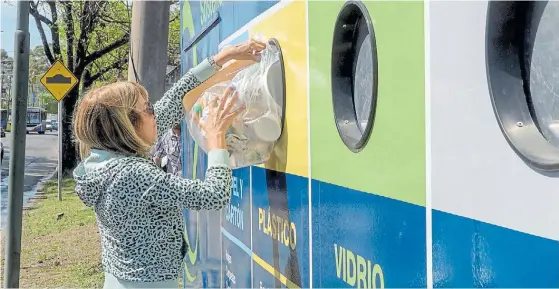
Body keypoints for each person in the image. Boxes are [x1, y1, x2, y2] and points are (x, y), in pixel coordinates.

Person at [72, 39, 266, 289]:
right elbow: (213, 196)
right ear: (127, 127)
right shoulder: (131, 174)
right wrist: (217, 138)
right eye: (148, 109)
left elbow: (175, 101)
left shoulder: (105, 161)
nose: (155, 113)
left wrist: (219, 59)